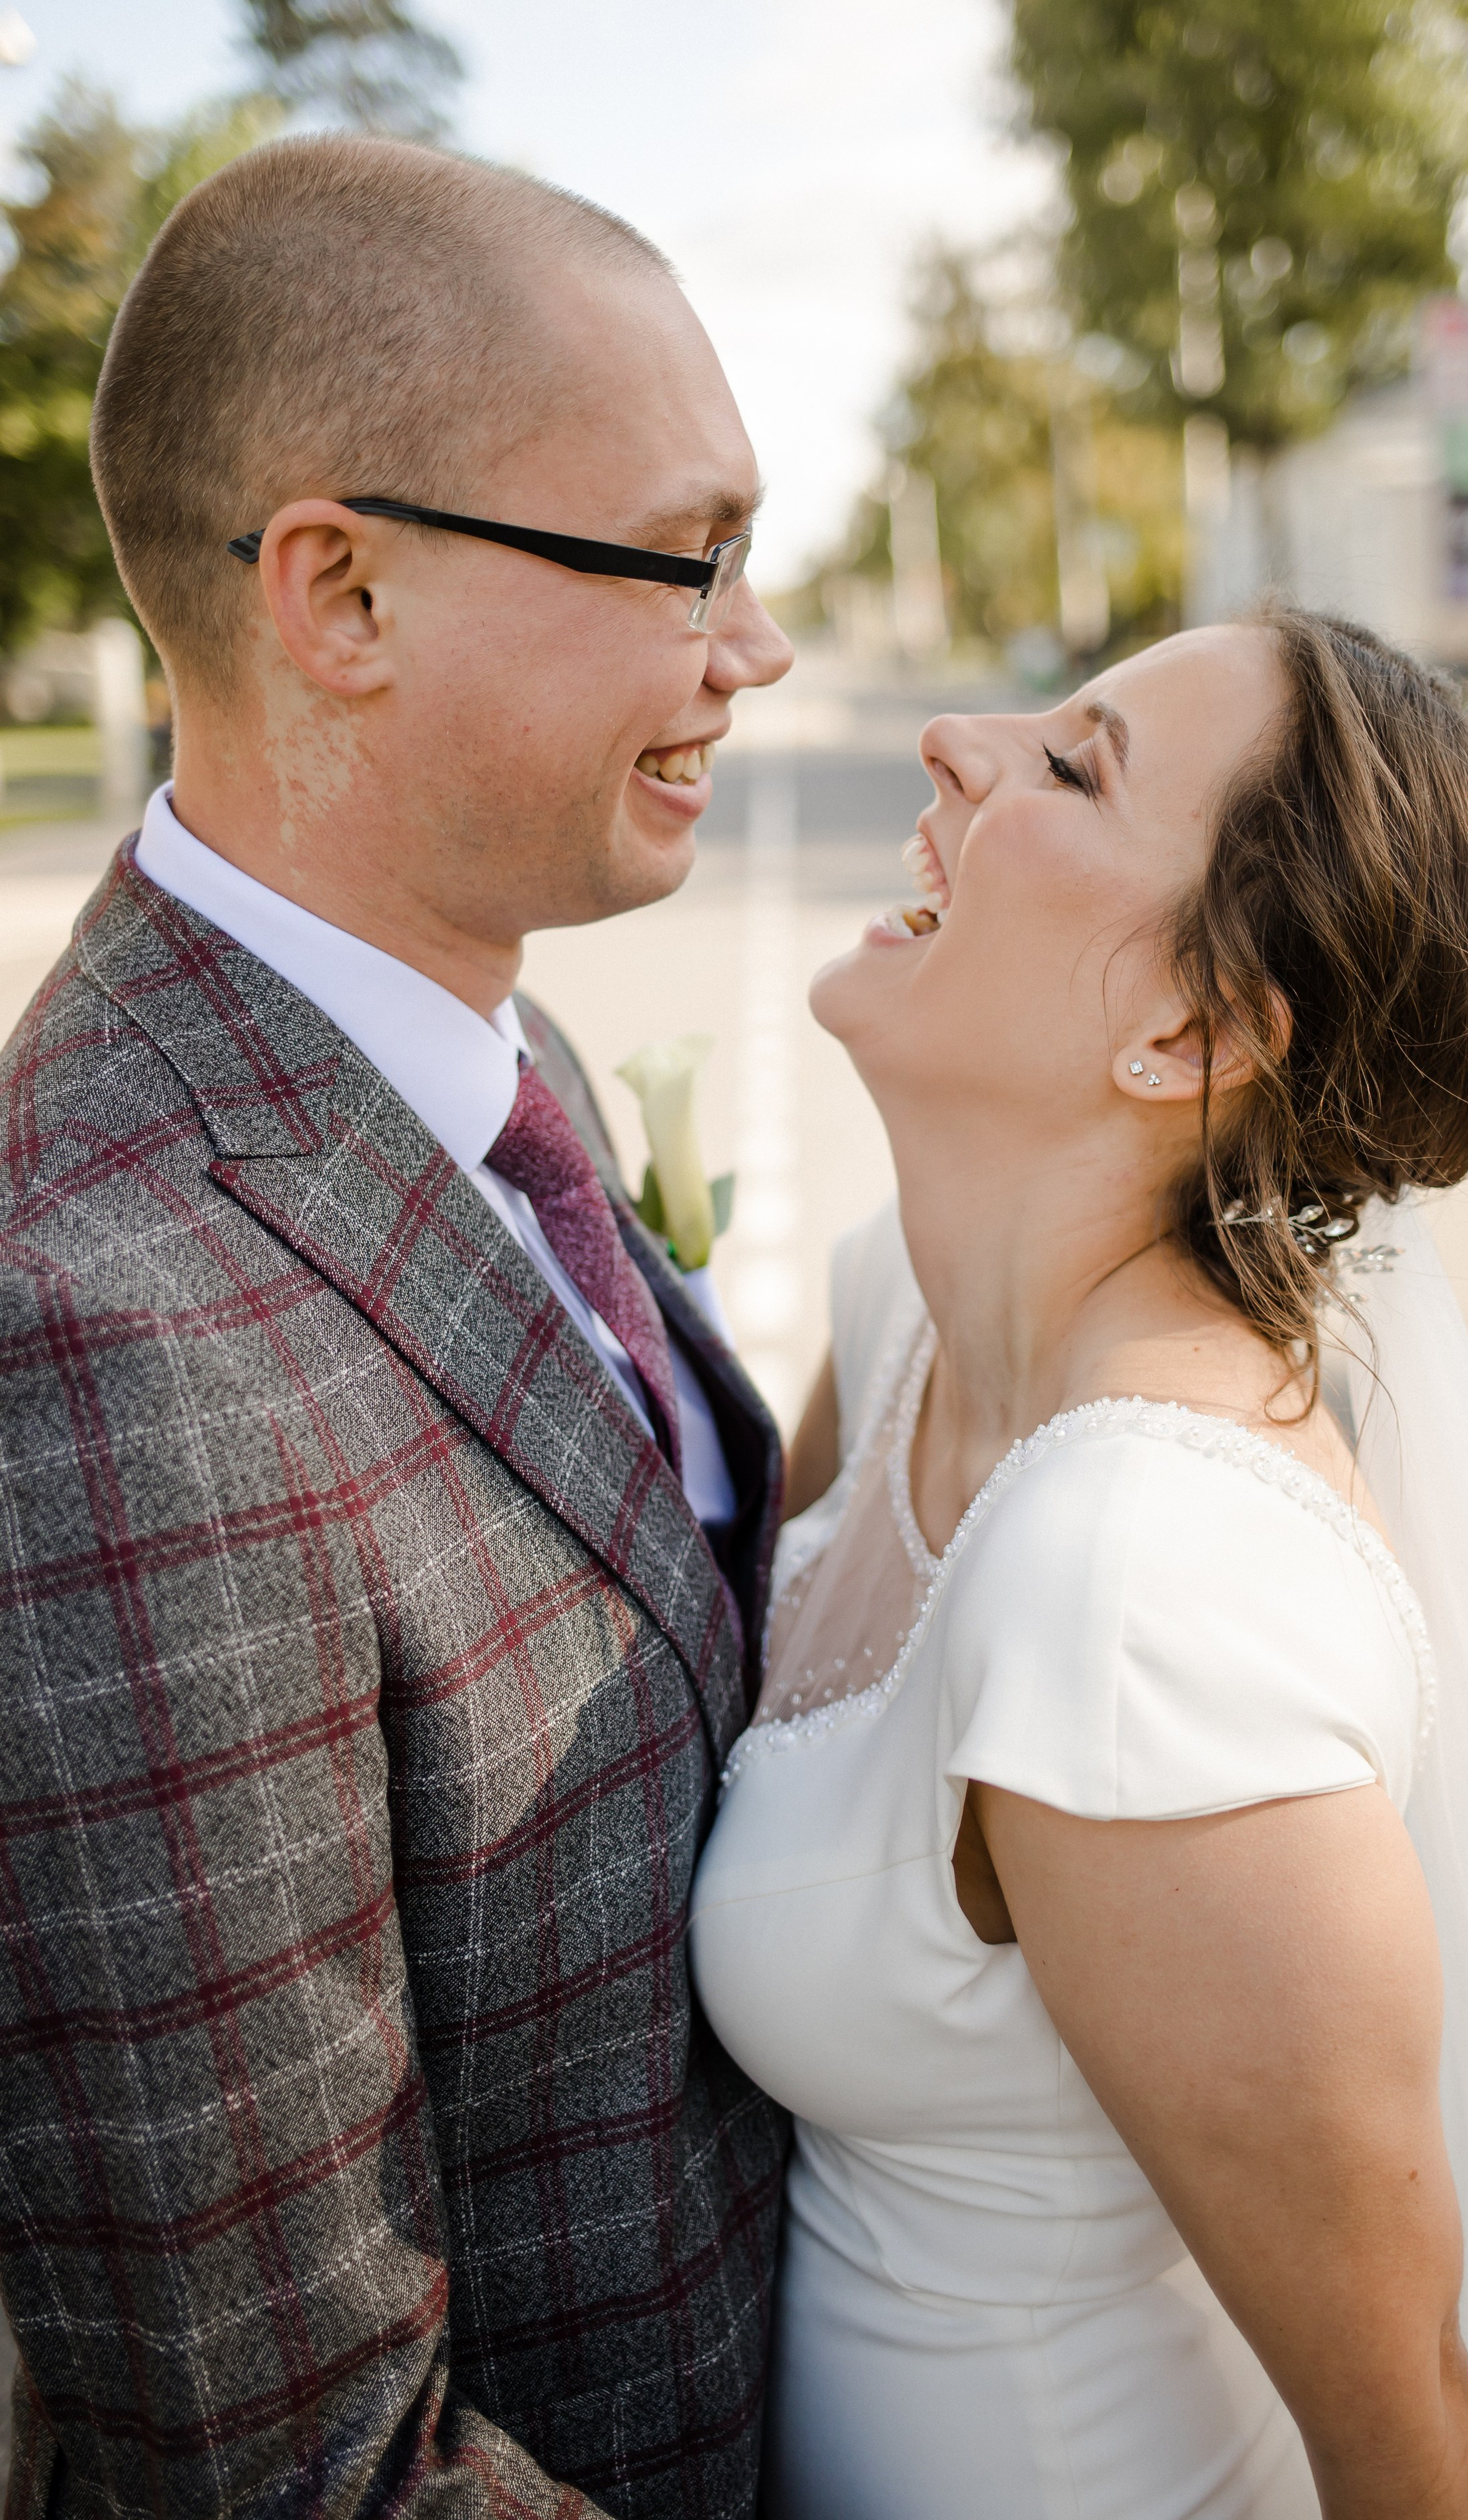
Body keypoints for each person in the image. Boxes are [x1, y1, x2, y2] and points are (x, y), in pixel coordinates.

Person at [690, 612, 1468, 2519]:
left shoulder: (1140, 1586)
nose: (956, 743)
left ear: (1193, 1033)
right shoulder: (905, 1305)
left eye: (1070, 764)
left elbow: (1406, 2432)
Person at [0, 137, 794, 2517]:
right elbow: (292, 2467)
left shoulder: (488, 1052)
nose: (748, 649)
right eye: (685, 557)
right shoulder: (101, 1341)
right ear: (334, 595)